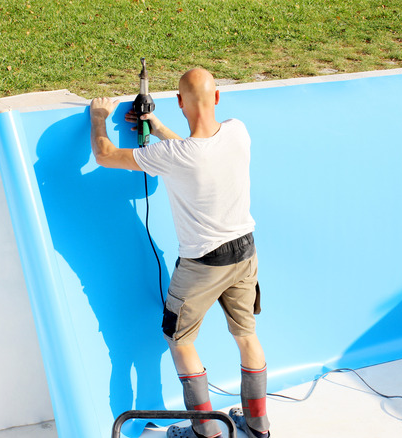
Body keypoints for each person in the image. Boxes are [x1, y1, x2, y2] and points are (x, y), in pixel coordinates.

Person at [89, 68, 270, 438]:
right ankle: (257, 428)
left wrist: (98, 118)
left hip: (203, 264)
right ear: (217, 98)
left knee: (181, 340)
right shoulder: (238, 131)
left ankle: (207, 433)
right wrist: (154, 125)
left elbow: (105, 155)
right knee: (247, 336)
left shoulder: (173, 154)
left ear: (179, 102)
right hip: (245, 254)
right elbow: (196, 154)